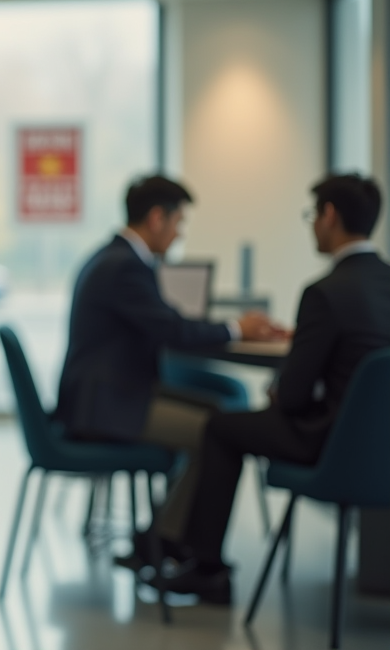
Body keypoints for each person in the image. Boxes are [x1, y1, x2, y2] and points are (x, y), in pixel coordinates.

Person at [166, 174, 390, 604]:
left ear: (330, 216)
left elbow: (292, 397)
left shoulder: (324, 292)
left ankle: (205, 568)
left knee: (220, 427)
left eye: (312, 216)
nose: (312, 227)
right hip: (381, 448)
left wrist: (281, 386)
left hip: (331, 443)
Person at [53, 175, 275, 559]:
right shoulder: (124, 266)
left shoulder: (116, 258)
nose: (178, 234)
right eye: (178, 224)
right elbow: (172, 329)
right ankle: (172, 544)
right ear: (157, 218)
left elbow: (166, 323)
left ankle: (164, 536)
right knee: (215, 432)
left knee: (217, 416)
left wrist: (228, 328)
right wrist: (237, 327)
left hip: (113, 391)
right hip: (106, 405)